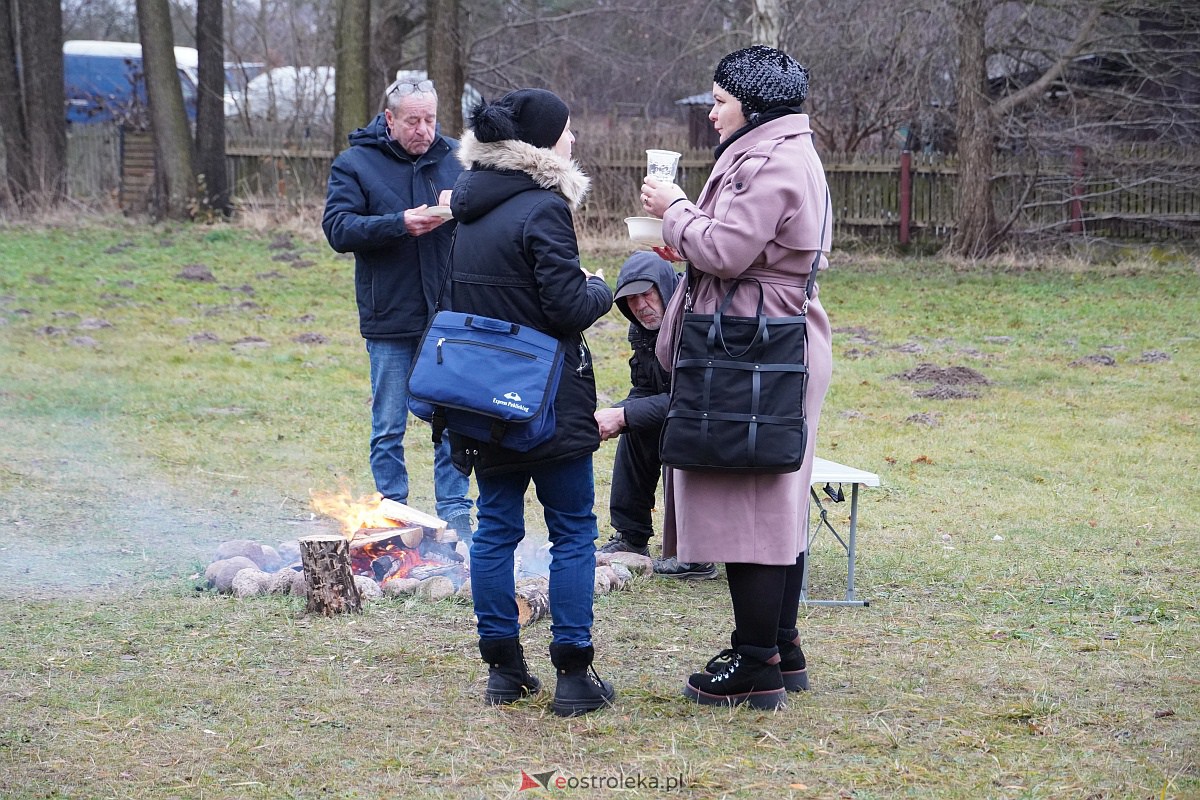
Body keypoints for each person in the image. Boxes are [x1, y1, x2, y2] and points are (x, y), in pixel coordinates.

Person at [639, 45, 833, 710]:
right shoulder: (777, 150)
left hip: (755, 347)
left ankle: (757, 667)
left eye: (719, 101)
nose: (713, 113)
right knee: (773, 498)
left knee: (754, 503)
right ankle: (780, 645)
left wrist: (675, 208)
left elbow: (725, 250)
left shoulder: (775, 159)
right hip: (763, 341)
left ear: (751, 106)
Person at [446, 88, 617, 717]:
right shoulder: (544, 209)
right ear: (544, 144)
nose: (573, 141)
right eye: (568, 132)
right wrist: (600, 288)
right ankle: (573, 674)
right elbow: (567, 306)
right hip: (548, 400)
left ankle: (503, 670)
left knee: (495, 530)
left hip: (482, 400)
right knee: (572, 531)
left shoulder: (467, 208)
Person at [322, 78, 474, 545]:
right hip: (389, 315)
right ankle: (394, 519)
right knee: (388, 425)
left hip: (447, 317)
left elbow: (488, 218)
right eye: (412, 121)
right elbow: (338, 228)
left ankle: (456, 520)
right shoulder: (354, 164)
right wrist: (398, 223)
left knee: (453, 421)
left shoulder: (457, 159)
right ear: (389, 119)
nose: (424, 130)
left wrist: (464, 204)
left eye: (430, 119)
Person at [594, 253, 717, 581]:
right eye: (631, 300)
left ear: (664, 289)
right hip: (683, 410)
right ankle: (631, 538)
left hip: (718, 417)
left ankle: (697, 553)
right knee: (635, 429)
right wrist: (613, 416)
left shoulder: (696, 317)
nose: (640, 305)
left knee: (656, 425)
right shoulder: (643, 329)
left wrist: (624, 414)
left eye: (646, 294)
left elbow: (693, 399)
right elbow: (645, 390)